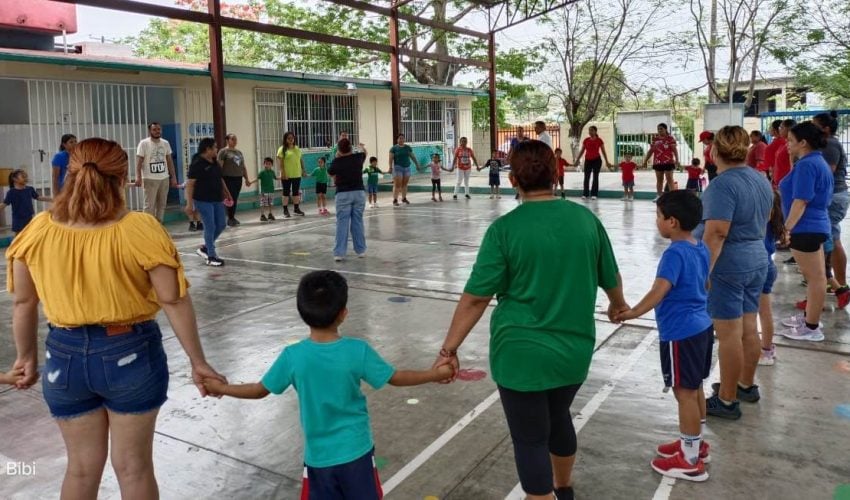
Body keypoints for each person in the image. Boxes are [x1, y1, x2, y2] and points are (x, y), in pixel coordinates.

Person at [6, 137, 225, 499]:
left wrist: (25, 358)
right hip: (131, 353)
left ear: (69, 176)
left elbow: (24, 304)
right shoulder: (139, 228)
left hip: (63, 358)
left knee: (79, 470)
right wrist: (198, 362)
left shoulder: (37, 231)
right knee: (134, 467)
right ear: (123, 179)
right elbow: (172, 299)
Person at [432, 140, 628, 500]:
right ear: (555, 175)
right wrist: (618, 306)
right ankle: (563, 488)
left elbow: (477, 298)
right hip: (574, 350)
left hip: (519, 355)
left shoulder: (505, 230)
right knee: (558, 418)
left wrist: (449, 348)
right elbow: (610, 277)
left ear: (512, 180)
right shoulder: (585, 220)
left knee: (529, 438)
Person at [203, 271, 452, 499]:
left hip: (318, 458)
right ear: (343, 313)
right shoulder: (358, 351)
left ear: (302, 313)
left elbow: (259, 390)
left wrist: (221, 388)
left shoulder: (293, 356)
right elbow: (396, 377)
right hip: (357, 453)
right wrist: (435, 373)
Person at [615, 191, 712, 482]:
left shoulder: (673, 253)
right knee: (694, 389)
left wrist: (632, 312)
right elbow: (705, 283)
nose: (656, 222)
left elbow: (659, 291)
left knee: (683, 392)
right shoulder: (700, 247)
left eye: (658, 217)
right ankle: (695, 443)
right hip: (702, 326)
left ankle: (690, 459)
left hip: (680, 332)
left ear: (672, 221)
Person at [699, 125, 773, 420]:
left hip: (730, 265)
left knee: (728, 334)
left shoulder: (722, 185)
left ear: (715, 151)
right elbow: (765, 218)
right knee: (747, 327)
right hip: (757, 258)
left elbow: (716, 233)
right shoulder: (760, 180)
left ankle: (727, 400)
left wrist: (703, 272)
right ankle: (744, 384)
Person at [777, 122, 834, 341]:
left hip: (805, 228)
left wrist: (786, 229)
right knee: (817, 278)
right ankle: (809, 318)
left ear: (803, 142)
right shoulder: (816, 161)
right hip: (816, 225)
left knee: (816, 279)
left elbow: (801, 201)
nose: (787, 144)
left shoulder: (807, 165)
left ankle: (811, 327)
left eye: (791, 140)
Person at [813, 111, 850, 308]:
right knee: (831, 241)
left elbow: (828, 171)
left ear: (826, 129)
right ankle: (837, 286)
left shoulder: (830, 144)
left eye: (815, 125)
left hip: (833, 197)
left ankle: (839, 286)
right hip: (832, 196)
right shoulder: (825, 145)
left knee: (828, 244)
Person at [185, 137, 233, 267]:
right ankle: (211, 256)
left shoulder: (214, 162)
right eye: (215, 147)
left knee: (221, 224)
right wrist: (189, 204)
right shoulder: (197, 163)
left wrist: (227, 193)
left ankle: (205, 247)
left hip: (217, 198)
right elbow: (190, 184)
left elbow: (220, 179)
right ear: (208, 149)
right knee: (210, 226)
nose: (217, 149)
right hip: (203, 199)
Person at [329, 138, 368, 261]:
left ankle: (339, 253)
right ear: (351, 148)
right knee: (358, 221)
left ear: (339, 150)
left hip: (343, 194)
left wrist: (338, 156)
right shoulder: (358, 158)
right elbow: (364, 152)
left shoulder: (337, 162)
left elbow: (330, 172)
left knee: (342, 223)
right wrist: (361, 147)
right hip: (358, 193)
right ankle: (360, 250)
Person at [758, 189, 785, 366]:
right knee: (765, 312)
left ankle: (765, 351)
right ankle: (767, 349)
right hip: (768, 266)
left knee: (755, 313)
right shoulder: (775, 223)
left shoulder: (761, 220)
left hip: (760, 267)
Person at [135, 122, 179, 222]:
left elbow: (169, 161)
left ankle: (159, 226)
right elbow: (139, 162)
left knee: (162, 204)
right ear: (150, 131)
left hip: (164, 178)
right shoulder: (144, 143)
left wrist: (174, 177)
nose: (157, 131)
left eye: (159, 129)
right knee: (149, 206)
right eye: (154, 129)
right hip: (149, 178)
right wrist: (138, 177)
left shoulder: (165, 143)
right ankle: (148, 227)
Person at [0, 169, 52, 235]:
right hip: (18, 220)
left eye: (26, 177)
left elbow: (38, 197)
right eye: (23, 177)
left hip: (29, 218)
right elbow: (4, 204)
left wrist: (52, 199)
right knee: (18, 237)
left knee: (30, 236)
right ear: (14, 179)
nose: (26, 178)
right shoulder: (11, 192)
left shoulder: (29, 189)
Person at [217, 133, 251, 227]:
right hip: (228, 178)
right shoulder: (223, 152)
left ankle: (232, 216)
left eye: (236, 139)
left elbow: (243, 167)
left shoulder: (239, 152)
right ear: (227, 140)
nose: (235, 141)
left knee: (235, 198)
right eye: (233, 139)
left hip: (238, 178)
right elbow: (219, 166)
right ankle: (230, 218)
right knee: (230, 197)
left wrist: (246, 178)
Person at [575, 126, 612, 200]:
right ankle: (585, 194)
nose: (590, 132)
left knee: (595, 177)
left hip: (597, 160)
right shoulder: (586, 140)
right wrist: (577, 160)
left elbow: (603, 151)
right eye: (589, 130)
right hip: (588, 160)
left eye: (592, 130)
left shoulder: (599, 140)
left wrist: (607, 161)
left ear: (595, 131)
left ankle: (594, 194)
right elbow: (582, 151)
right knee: (586, 177)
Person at [644, 123, 679, 201]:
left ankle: (673, 198)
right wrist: (645, 160)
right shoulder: (655, 139)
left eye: (661, 129)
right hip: (658, 162)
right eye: (658, 129)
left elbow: (674, 150)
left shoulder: (670, 138)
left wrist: (677, 159)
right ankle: (659, 196)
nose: (659, 130)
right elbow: (651, 151)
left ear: (665, 129)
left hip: (668, 162)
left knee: (669, 179)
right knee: (659, 180)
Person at [277, 132, 307, 218]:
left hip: (296, 174)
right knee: (286, 192)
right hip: (287, 175)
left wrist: (303, 170)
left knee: (295, 192)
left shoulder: (297, 149)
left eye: (292, 138)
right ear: (285, 139)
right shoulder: (282, 149)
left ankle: (296, 209)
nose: (291, 140)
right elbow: (280, 163)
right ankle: (285, 210)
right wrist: (283, 173)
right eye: (289, 138)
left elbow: (301, 160)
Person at [388, 134, 421, 207]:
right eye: (400, 138)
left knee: (405, 184)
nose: (401, 140)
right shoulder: (394, 148)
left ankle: (404, 198)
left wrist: (417, 164)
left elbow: (412, 156)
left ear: (404, 139)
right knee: (397, 184)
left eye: (402, 138)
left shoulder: (407, 148)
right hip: (397, 168)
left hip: (407, 168)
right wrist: (390, 167)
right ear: (397, 139)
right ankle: (395, 200)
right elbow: (390, 159)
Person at [252, 157, 280, 222]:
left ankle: (270, 214)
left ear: (271, 165)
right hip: (264, 191)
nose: (267, 165)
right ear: (264, 164)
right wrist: (250, 182)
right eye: (266, 164)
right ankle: (262, 215)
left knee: (271, 203)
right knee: (263, 203)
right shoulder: (262, 172)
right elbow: (257, 178)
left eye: (269, 164)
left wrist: (282, 177)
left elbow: (276, 178)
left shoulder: (272, 172)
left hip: (271, 190)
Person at [773, 119, 796, 188]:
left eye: (781, 128)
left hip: (786, 184)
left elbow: (793, 166)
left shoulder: (792, 146)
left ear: (789, 129)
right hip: (778, 182)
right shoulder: (784, 144)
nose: (779, 130)